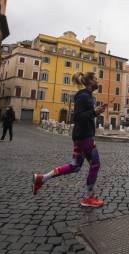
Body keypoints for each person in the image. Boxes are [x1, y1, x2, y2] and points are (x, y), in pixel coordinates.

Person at [32, 72, 107, 208]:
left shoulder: (87, 96)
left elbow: (85, 115)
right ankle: (89, 198)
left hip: (81, 136)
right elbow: (77, 117)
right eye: (96, 79)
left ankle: (42, 178)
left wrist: (95, 111)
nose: (98, 81)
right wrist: (94, 112)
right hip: (84, 137)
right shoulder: (84, 96)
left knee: (75, 166)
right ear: (90, 82)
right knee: (95, 165)